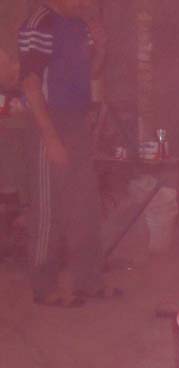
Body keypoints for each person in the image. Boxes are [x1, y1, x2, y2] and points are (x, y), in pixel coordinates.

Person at [18, 0, 118, 307]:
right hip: (48, 120)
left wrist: (101, 48)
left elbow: (90, 72)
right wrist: (50, 138)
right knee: (49, 209)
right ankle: (44, 287)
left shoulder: (78, 24)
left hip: (76, 121)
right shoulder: (40, 21)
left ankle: (89, 280)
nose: (89, 4)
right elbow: (30, 83)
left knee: (85, 205)